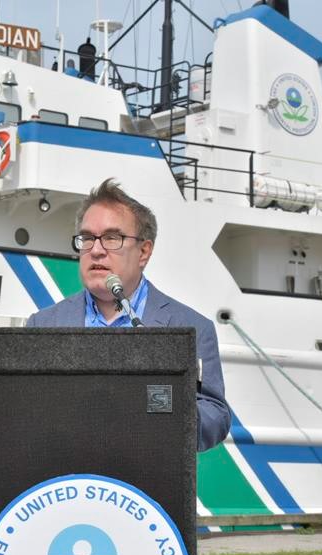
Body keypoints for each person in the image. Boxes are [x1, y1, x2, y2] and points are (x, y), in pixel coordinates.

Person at [26, 178, 231, 451]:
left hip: (149, 481)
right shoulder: (43, 325)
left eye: (112, 238)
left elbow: (215, 414)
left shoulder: (193, 327)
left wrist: (168, 412)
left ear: (144, 252)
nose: (96, 250)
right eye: (87, 238)